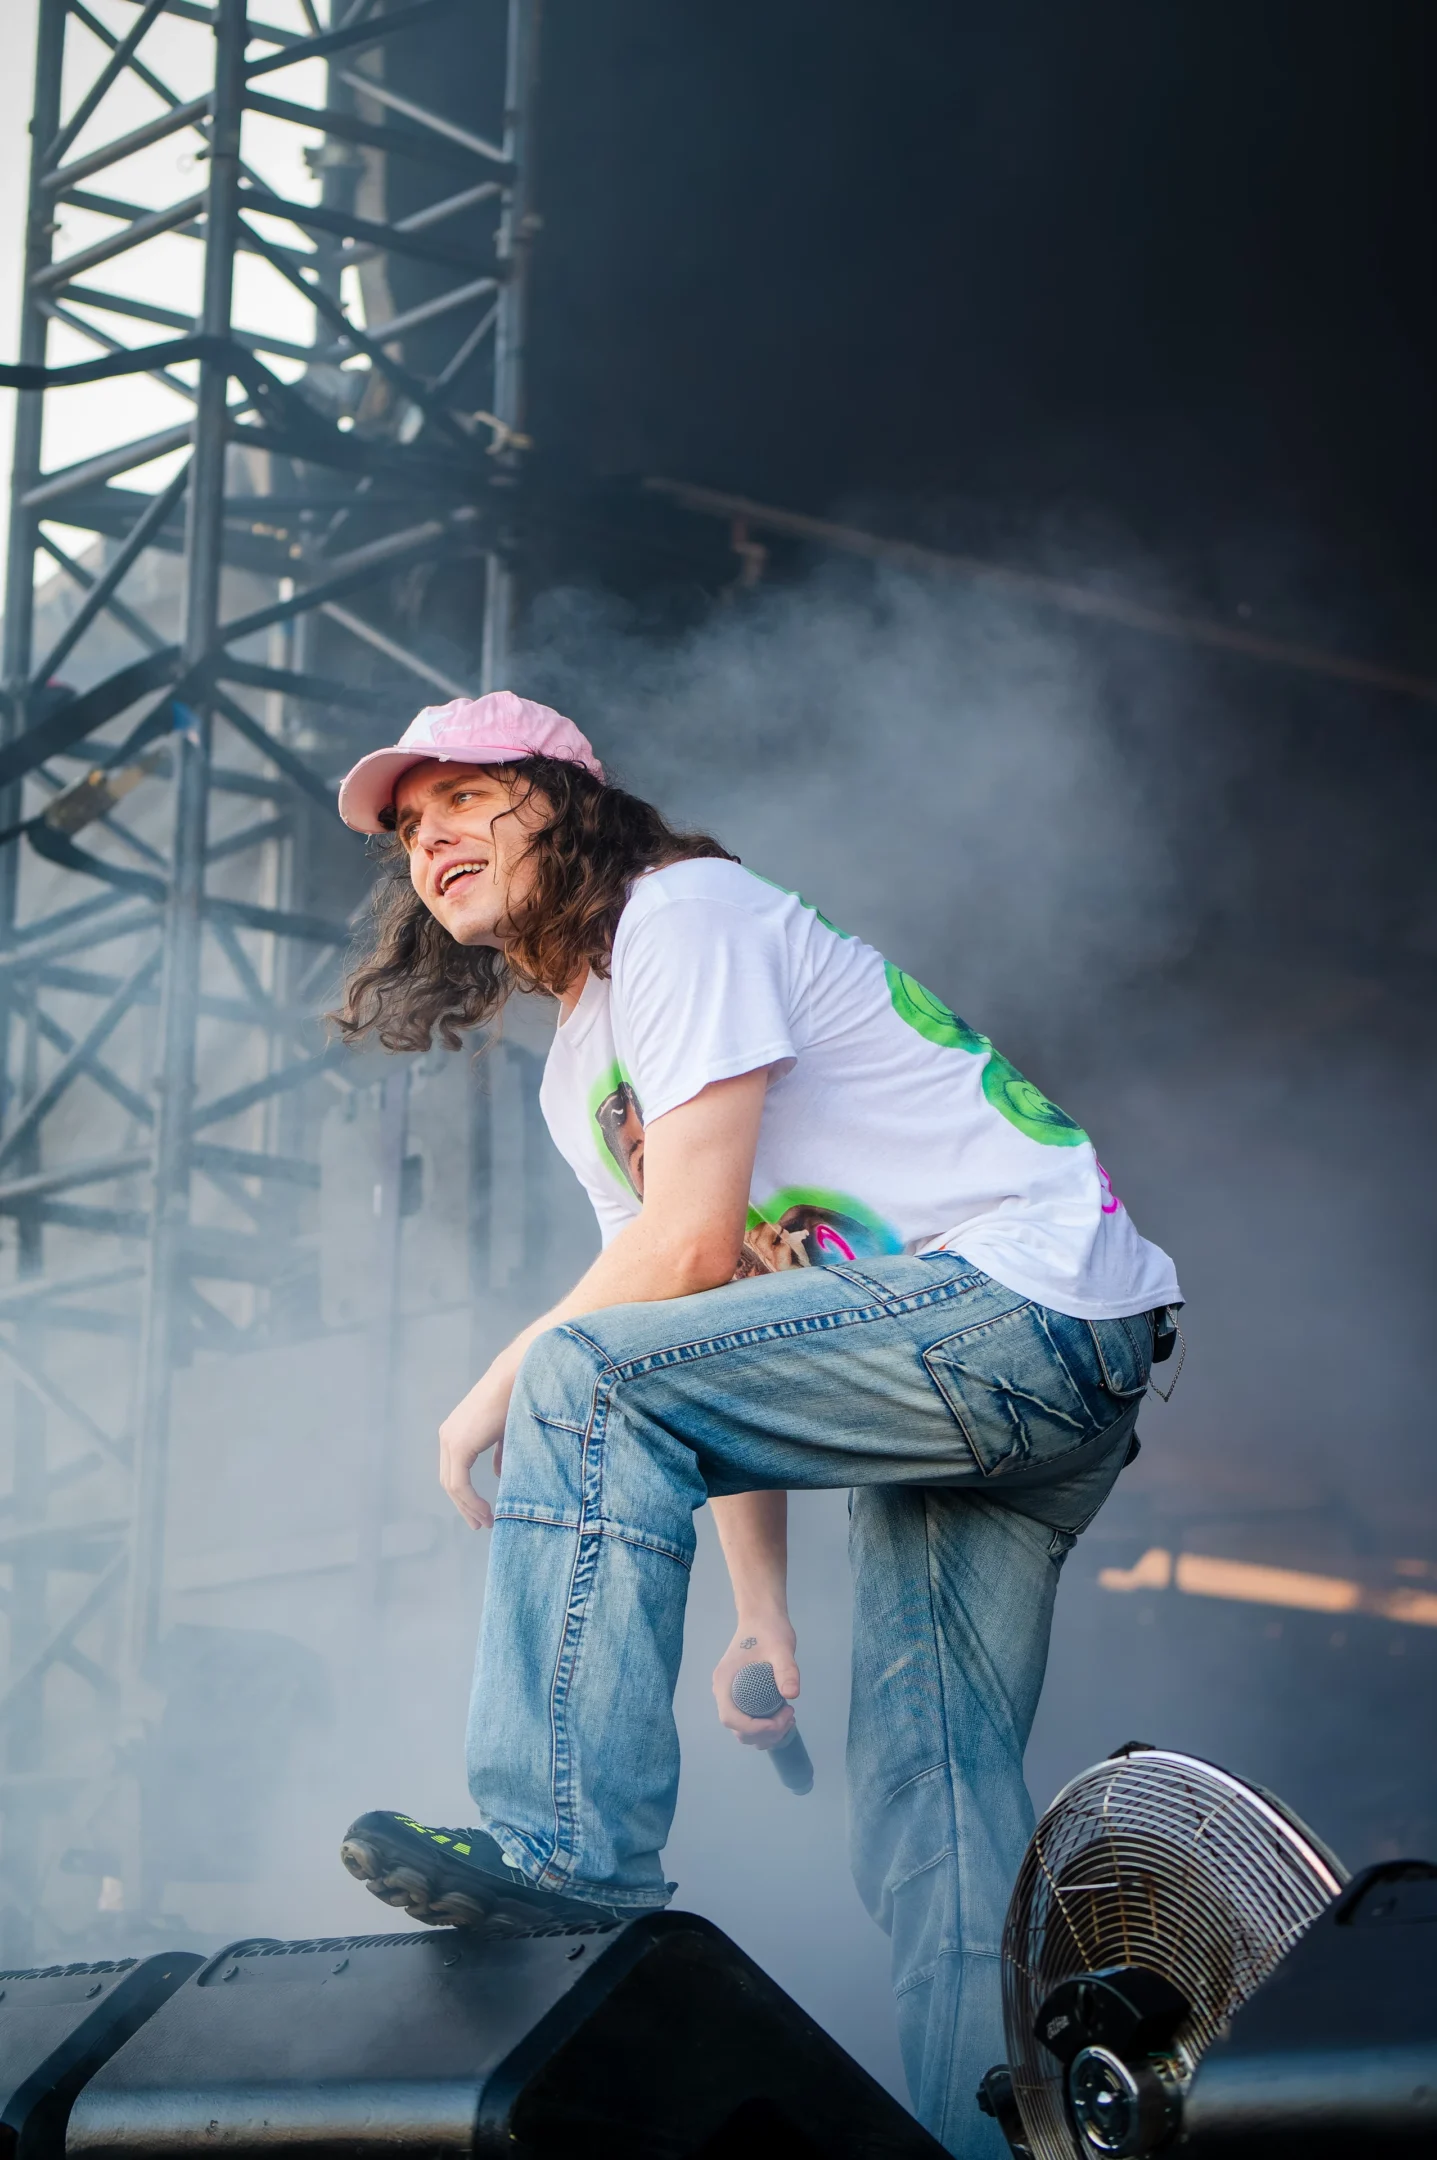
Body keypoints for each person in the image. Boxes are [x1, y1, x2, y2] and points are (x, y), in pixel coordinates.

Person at [329, 690, 1180, 2155]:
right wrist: (762, 1611)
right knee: (926, 1798)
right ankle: (1007, 2141)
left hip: (1026, 1314)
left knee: (569, 1372)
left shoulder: (685, 914)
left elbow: (663, 1279)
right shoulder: (573, 1063)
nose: (433, 838)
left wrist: (486, 1392)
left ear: (565, 802)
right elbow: (690, 1321)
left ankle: (565, 1843)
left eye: (467, 797)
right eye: (410, 827)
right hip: (979, 1373)